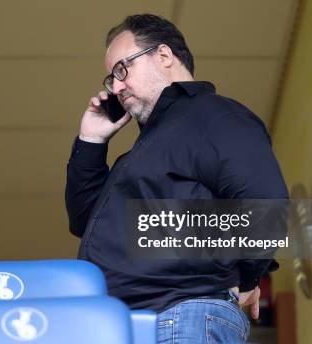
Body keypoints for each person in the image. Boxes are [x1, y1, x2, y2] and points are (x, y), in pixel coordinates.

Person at [65, 14, 288, 343]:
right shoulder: (140, 155)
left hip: (182, 318)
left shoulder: (212, 116)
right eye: (111, 79)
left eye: (122, 70)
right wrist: (91, 141)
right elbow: (85, 222)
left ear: (164, 56)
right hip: (129, 325)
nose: (117, 87)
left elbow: (266, 206)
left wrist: (248, 276)